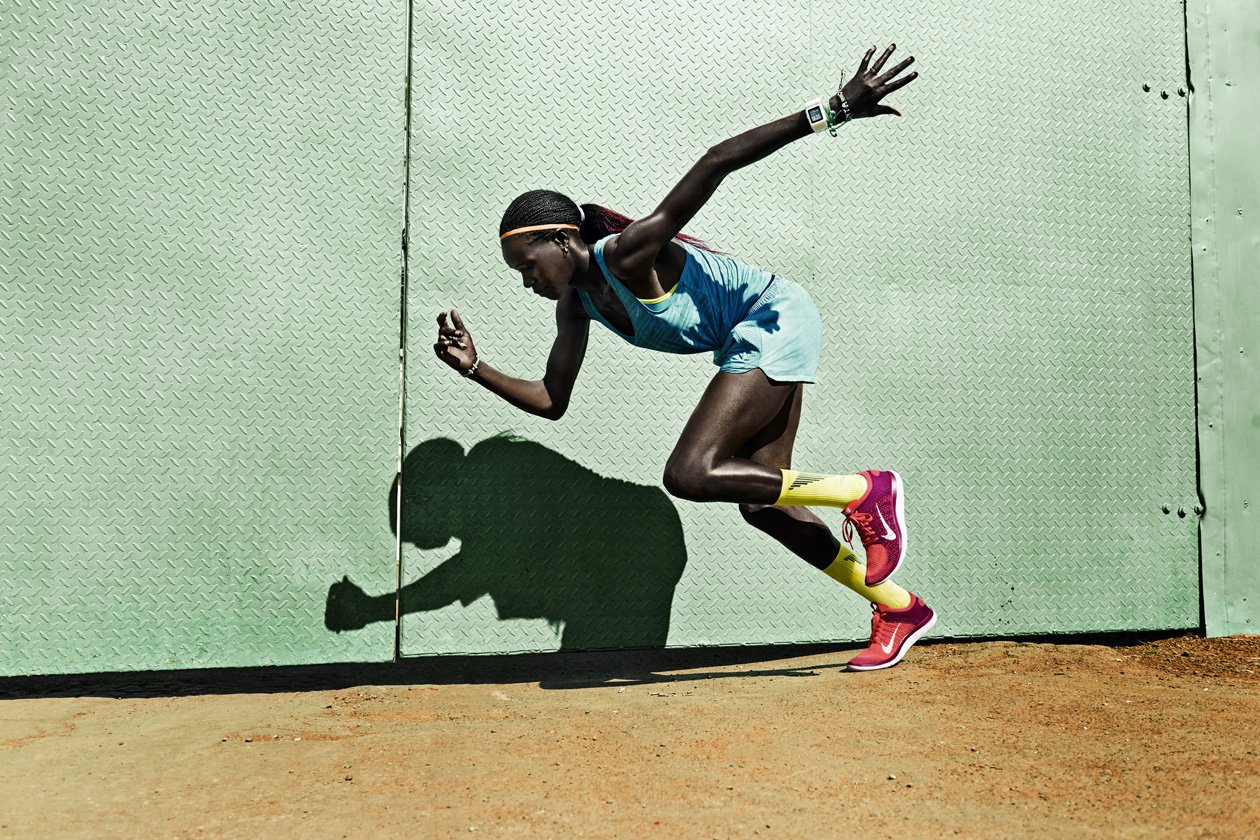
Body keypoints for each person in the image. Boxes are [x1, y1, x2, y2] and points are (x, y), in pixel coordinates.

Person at [433, 44, 935, 670]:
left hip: (773, 317)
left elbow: (717, 160)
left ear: (562, 240)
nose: (527, 281)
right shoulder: (577, 307)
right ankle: (898, 608)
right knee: (764, 506)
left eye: (528, 265)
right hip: (750, 337)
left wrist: (831, 110)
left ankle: (865, 491)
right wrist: (474, 368)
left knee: (690, 472)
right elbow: (552, 401)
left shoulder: (627, 255)